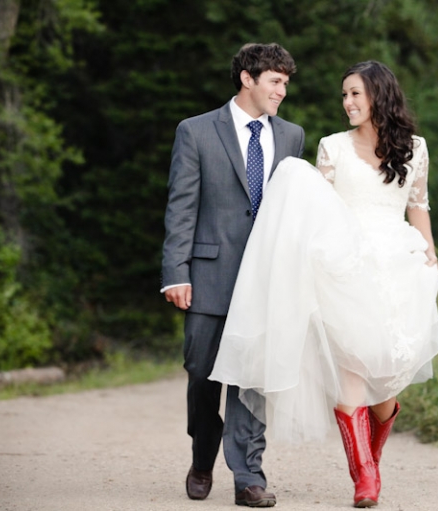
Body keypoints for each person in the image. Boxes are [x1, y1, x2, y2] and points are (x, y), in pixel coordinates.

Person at [210, 60, 438, 508]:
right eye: (344, 94)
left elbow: (418, 205)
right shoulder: (332, 147)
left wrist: (430, 253)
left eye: (355, 93)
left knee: (386, 384)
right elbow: (317, 209)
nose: (347, 102)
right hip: (347, 268)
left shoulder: (416, 148)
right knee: (352, 372)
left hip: (399, 266)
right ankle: (364, 479)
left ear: (379, 95)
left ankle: (371, 458)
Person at [160, 43, 305, 508]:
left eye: (286, 83)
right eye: (275, 81)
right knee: (201, 376)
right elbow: (181, 207)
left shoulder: (292, 136)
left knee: (253, 379)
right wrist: (175, 272)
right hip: (208, 276)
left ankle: (248, 477)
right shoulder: (196, 131)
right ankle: (202, 456)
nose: (282, 91)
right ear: (247, 78)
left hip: (266, 281)